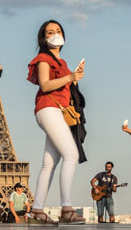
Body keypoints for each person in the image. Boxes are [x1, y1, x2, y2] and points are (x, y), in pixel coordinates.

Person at [26, 20, 85, 224]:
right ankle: (66, 208)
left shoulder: (63, 63)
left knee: (49, 163)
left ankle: (36, 210)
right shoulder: (43, 58)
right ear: (43, 38)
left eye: (58, 31)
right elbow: (45, 84)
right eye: (50, 32)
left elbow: (64, 86)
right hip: (48, 109)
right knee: (71, 155)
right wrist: (69, 77)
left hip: (56, 111)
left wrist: (75, 77)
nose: (54, 34)